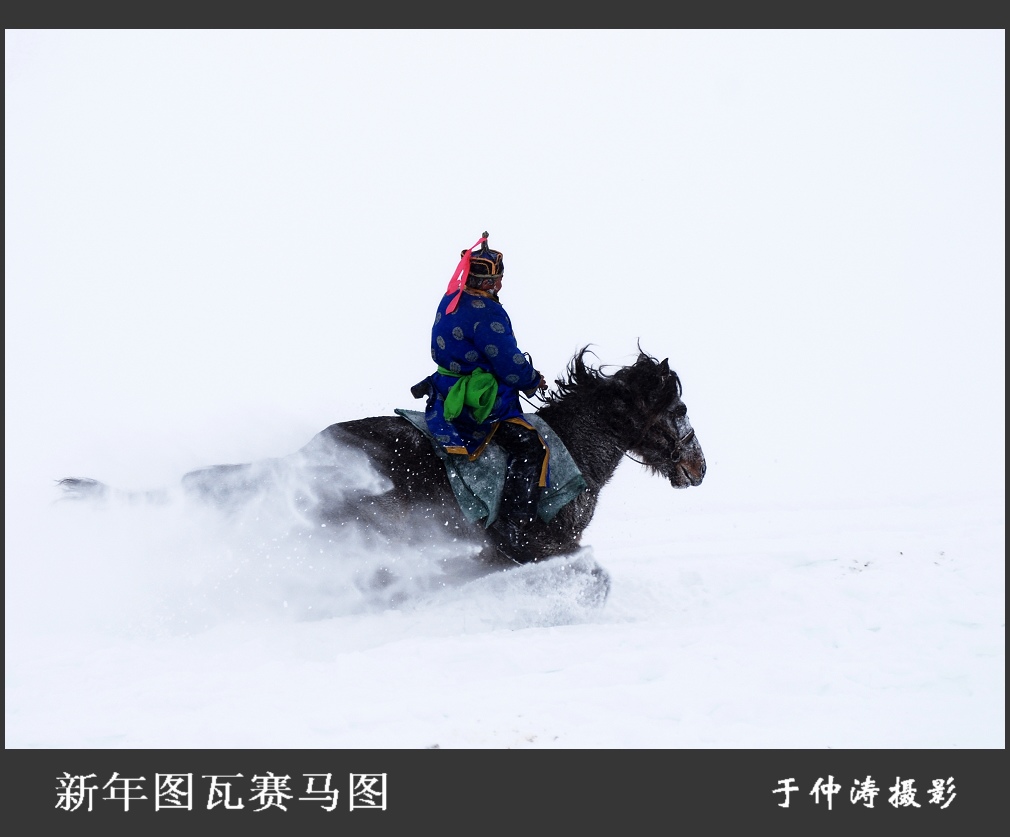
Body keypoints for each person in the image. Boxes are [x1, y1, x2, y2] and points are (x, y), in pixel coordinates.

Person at [412, 232, 549, 558]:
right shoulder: (487, 312)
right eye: (498, 279)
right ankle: (511, 531)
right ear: (494, 281)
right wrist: (531, 380)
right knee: (531, 448)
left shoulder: (450, 299)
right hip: (480, 402)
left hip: (445, 391)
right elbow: (509, 365)